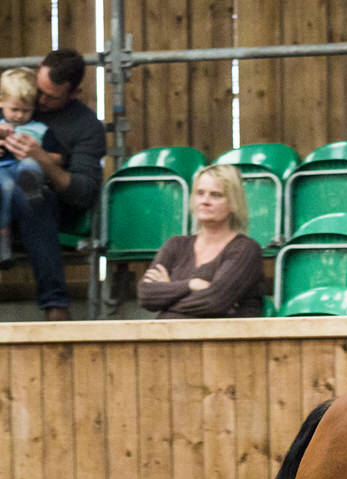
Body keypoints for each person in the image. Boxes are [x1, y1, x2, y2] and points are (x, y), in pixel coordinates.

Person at [0, 49, 106, 320]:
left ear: (74, 93)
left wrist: (43, 161)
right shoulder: (15, 97)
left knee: (30, 195)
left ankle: (55, 305)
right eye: (40, 90)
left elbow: (83, 193)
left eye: (51, 97)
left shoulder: (86, 126)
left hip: (50, 203)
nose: (40, 100)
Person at [137, 164, 264, 318]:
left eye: (216, 195)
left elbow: (214, 302)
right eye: (200, 193)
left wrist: (168, 292)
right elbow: (146, 295)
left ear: (233, 203)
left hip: (223, 339)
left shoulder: (246, 249)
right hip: (168, 337)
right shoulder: (175, 245)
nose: (205, 201)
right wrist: (191, 284)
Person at [0, 67, 63, 265]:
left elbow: (58, 157)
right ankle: (4, 237)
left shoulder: (39, 130)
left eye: (26, 111)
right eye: (14, 109)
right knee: (6, 186)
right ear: (1, 102)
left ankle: (31, 187)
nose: (19, 116)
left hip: (26, 169)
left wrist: (38, 154)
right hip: (3, 171)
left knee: (29, 164)